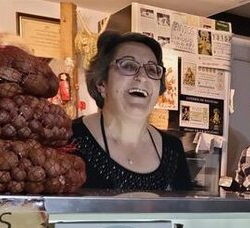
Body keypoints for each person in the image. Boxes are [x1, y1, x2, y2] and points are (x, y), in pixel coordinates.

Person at [72, 31, 193, 192]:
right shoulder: (69, 138)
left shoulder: (173, 149)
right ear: (102, 83)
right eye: (128, 65)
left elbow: (183, 214)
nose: (142, 77)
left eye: (152, 70)